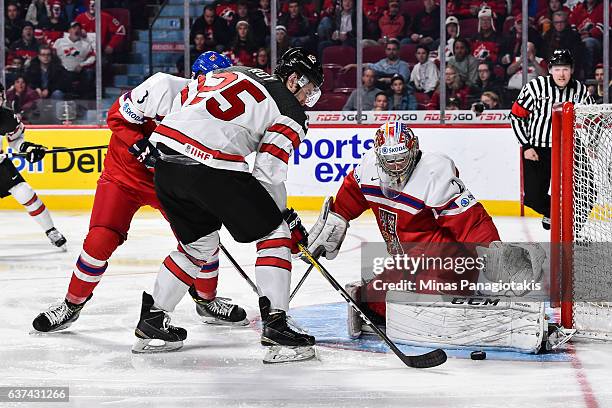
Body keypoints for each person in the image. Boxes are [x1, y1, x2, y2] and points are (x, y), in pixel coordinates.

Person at [304, 122, 573, 353]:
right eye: (389, 160)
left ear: (414, 150)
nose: (396, 167)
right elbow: (349, 198)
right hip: (407, 263)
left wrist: (498, 255)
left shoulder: (435, 173)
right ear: (378, 157)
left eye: (401, 158)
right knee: (372, 297)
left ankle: (485, 309)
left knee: (427, 303)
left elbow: (472, 221)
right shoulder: (368, 170)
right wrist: (335, 222)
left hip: (449, 264)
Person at [31, 52, 245, 334]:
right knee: (100, 239)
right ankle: (71, 305)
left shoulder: (222, 114)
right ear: (198, 78)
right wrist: (139, 143)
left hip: (171, 183)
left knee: (203, 238)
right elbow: (117, 117)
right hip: (124, 175)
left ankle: (206, 301)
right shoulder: (163, 87)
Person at [140, 48, 323, 363]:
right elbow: (267, 176)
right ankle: (277, 325)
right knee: (274, 233)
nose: (310, 98)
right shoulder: (290, 109)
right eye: (310, 90)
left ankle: (153, 321)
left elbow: (186, 95)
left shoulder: (237, 70)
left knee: (197, 246)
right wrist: (287, 221)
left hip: (166, 164)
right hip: (209, 166)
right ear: (294, 79)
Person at [510, 49, 591, 230]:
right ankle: (556, 213)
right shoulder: (535, 87)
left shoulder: (580, 90)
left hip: (569, 147)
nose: (561, 74)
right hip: (537, 149)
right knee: (532, 198)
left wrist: (591, 143)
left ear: (572, 70)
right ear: (550, 70)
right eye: (557, 69)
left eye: (565, 69)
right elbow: (516, 116)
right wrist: (526, 146)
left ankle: (572, 223)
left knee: (588, 187)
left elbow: (591, 118)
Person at [0, 82, 66, 249]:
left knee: (25, 192)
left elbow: (16, 141)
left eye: (1, 96)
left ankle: (51, 231)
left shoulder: (6, 116)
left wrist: (29, 149)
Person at [341, 39, 410, 85]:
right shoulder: (382, 62)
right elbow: (369, 65)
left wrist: (386, 80)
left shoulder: (403, 65)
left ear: (398, 51)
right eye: (389, 49)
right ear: (385, 51)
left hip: (394, 89)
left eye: (394, 49)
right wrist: (352, 65)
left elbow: (403, 80)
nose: (391, 52)